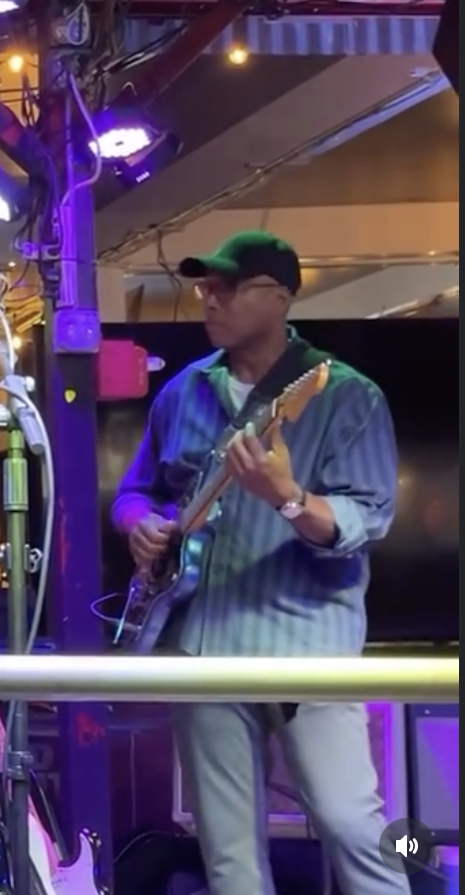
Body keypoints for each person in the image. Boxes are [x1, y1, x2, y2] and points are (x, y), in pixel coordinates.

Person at [112, 232, 406, 895]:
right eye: (204, 288)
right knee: (228, 854)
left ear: (278, 297)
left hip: (306, 648)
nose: (209, 300)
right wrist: (140, 525)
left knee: (353, 825)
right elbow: (135, 493)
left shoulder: (347, 397)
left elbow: (368, 519)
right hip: (203, 648)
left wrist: (288, 498)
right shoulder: (183, 391)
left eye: (227, 287)